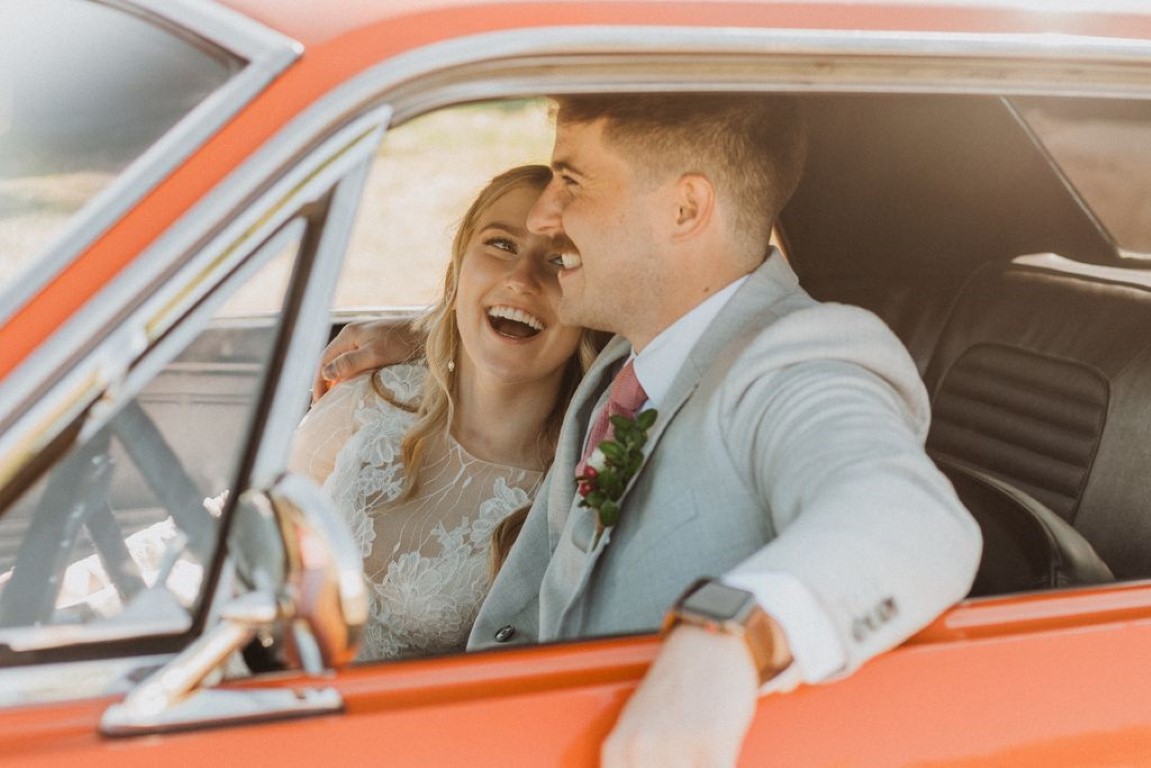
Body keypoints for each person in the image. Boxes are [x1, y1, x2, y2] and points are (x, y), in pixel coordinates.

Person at [317, 94, 981, 766]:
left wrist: (725, 641)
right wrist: (422, 335)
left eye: (571, 181)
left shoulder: (797, 362)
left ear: (685, 209)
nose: (546, 213)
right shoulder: (636, 350)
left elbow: (908, 519)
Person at [291, 164, 601, 661]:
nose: (522, 279)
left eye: (561, 259)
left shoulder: (577, 494)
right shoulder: (371, 398)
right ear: (458, 270)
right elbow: (267, 540)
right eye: (501, 244)